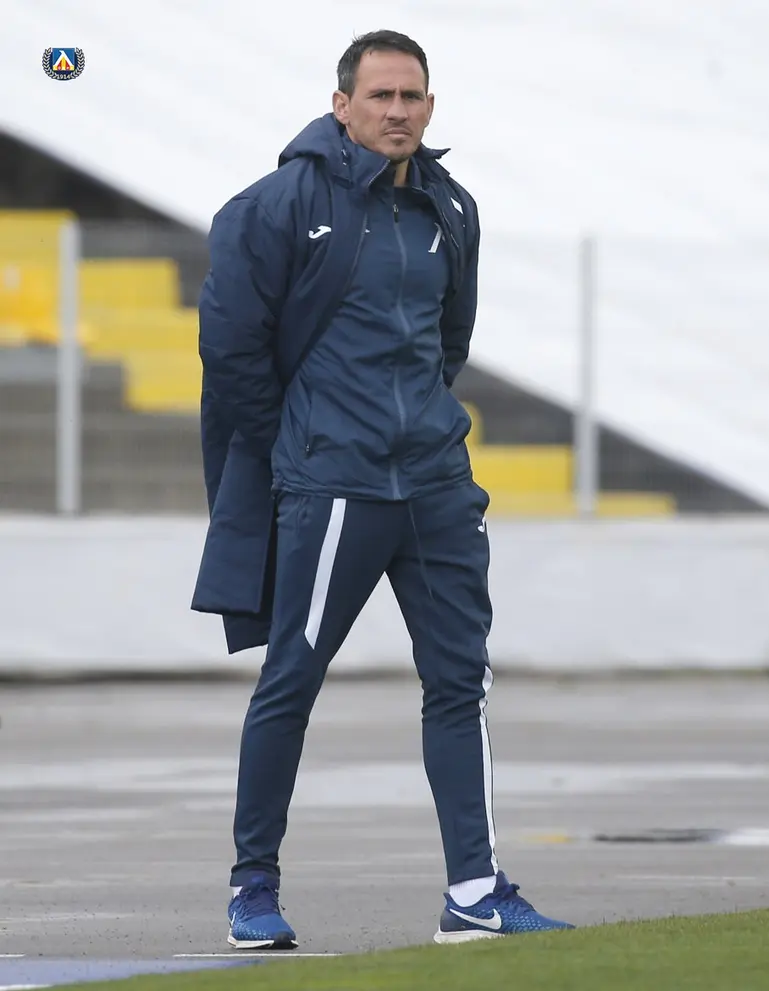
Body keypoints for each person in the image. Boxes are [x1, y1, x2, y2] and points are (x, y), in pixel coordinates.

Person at [190, 29, 574, 949]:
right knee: (292, 679)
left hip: (436, 485)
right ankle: (251, 889)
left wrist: (418, 432)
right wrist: (303, 444)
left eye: (412, 97)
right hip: (334, 483)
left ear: (430, 107)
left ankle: (474, 891)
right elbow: (230, 348)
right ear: (342, 106)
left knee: (461, 681)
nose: (398, 111)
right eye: (380, 96)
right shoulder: (278, 205)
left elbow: (448, 341)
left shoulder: (451, 207)